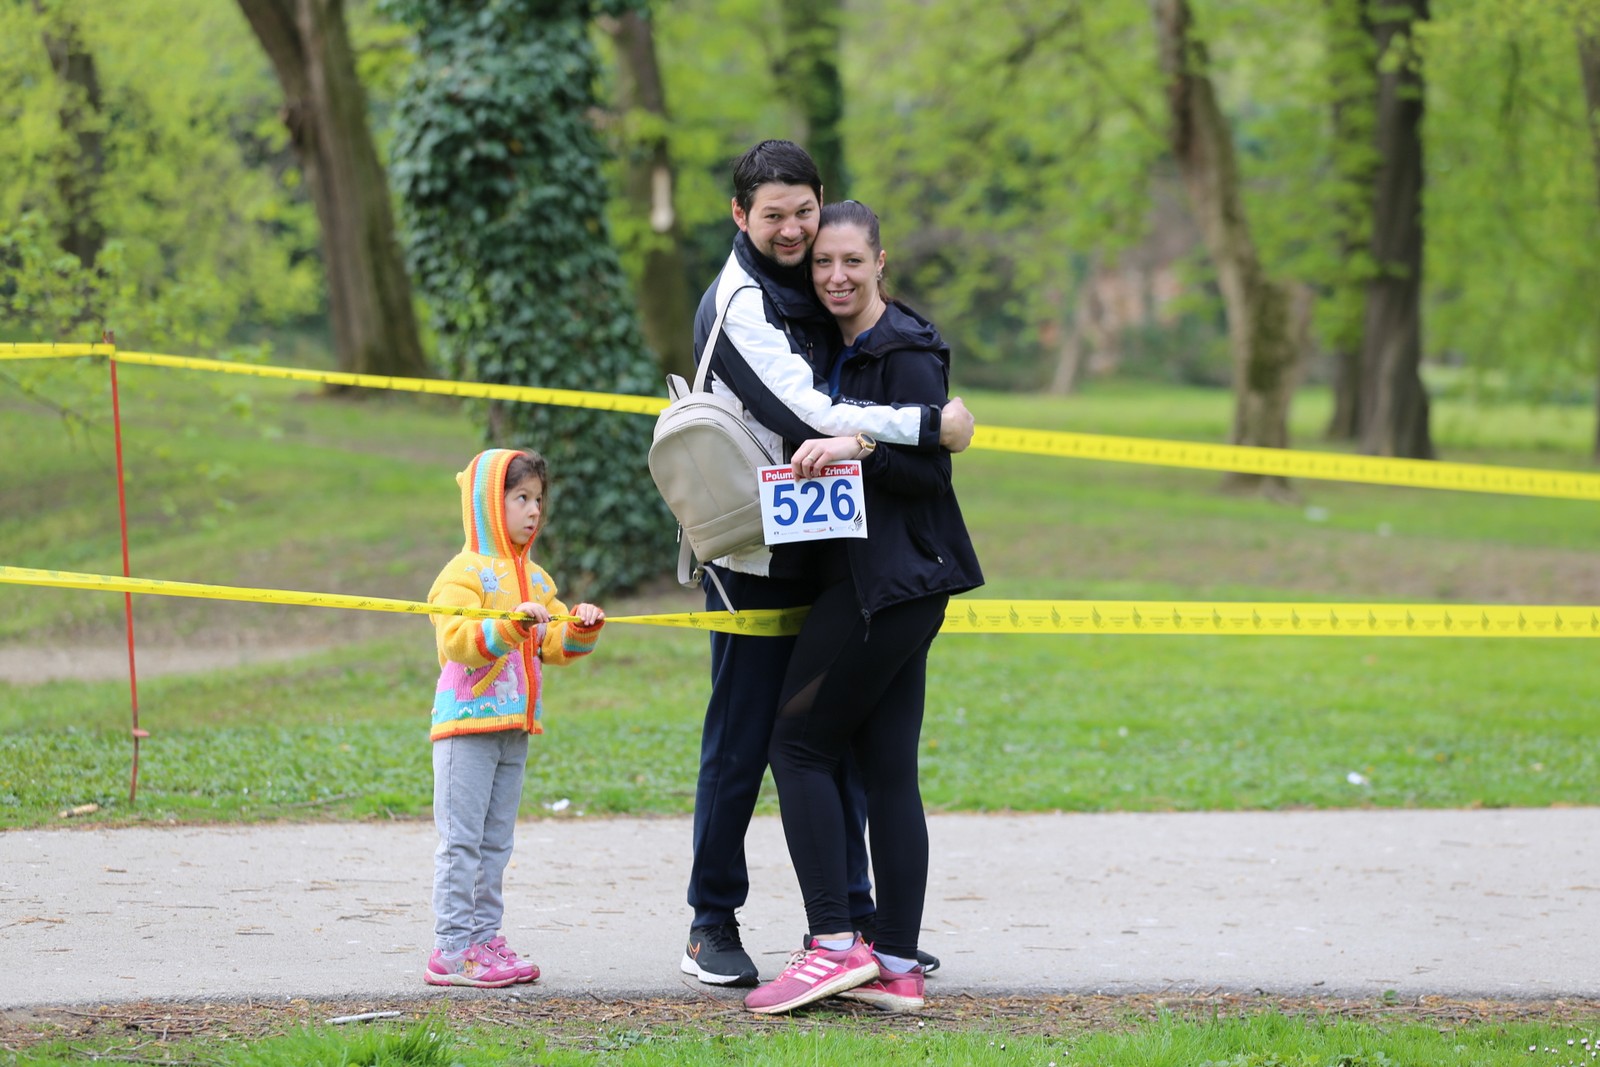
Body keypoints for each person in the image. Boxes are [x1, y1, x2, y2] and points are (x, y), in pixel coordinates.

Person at [681, 140, 975, 988]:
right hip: (746, 550)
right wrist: (930, 423)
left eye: (803, 212)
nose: (793, 229)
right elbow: (807, 412)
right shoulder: (739, 300)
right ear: (741, 216)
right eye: (773, 215)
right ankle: (712, 919)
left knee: (831, 739)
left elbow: (885, 353)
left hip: (826, 548)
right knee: (746, 741)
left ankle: (858, 931)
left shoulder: (814, 284)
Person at [743, 200, 983, 1015]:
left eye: (852, 261)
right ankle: (900, 963)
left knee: (798, 741)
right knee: (885, 771)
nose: (836, 276)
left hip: (894, 586)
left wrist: (864, 446)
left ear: (881, 261)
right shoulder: (831, 347)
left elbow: (929, 476)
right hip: (876, 582)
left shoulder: (904, 350)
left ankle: (835, 944)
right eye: (822, 263)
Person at [423, 447, 606, 988]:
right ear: (486, 503)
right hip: (464, 729)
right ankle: (452, 951)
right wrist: (508, 625)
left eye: (538, 500)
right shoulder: (461, 573)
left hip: (514, 731)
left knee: (496, 844)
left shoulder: (539, 580)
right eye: (520, 498)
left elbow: (553, 644)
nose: (532, 511)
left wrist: (581, 628)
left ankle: (485, 939)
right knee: (461, 841)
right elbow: (456, 641)